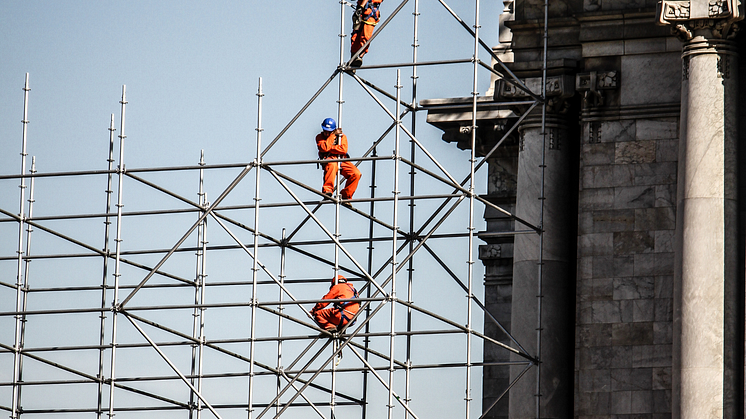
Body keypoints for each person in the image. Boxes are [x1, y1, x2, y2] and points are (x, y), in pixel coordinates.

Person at [316, 118, 362, 201]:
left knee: (356, 174)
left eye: (329, 131)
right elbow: (324, 147)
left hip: (342, 159)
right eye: (325, 131)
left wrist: (330, 147)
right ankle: (327, 191)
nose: (327, 133)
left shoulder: (341, 136)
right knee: (332, 165)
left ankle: (346, 195)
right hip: (330, 160)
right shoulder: (319, 137)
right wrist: (332, 136)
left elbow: (343, 150)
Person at [350, 0, 383, 68]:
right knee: (356, 36)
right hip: (361, 12)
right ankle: (353, 58)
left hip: (370, 12)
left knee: (365, 36)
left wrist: (361, 6)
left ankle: (359, 56)